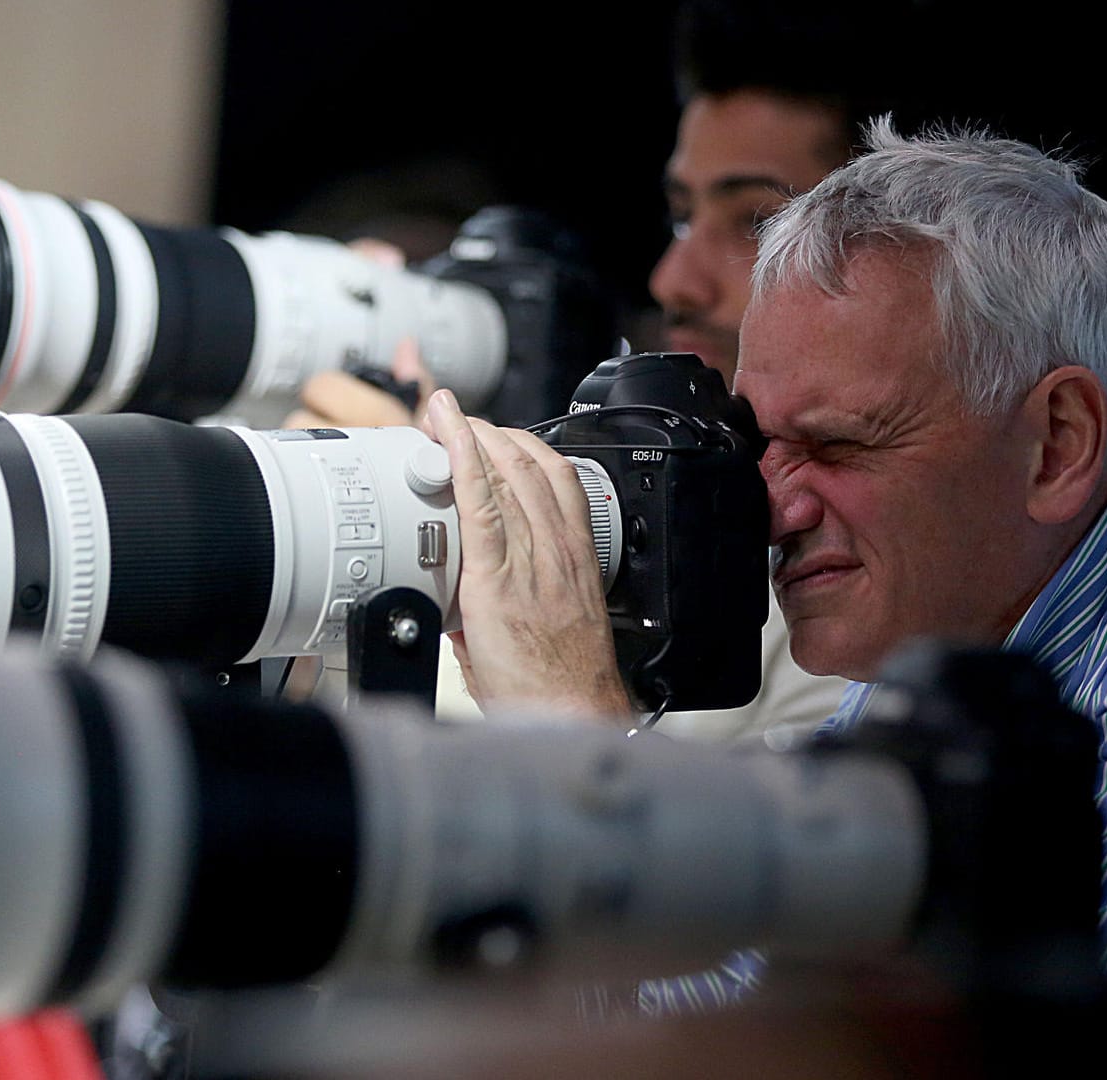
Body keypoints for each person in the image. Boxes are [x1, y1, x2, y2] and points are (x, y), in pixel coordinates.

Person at [432, 118, 1107, 976]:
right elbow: (744, 993)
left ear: (1056, 441)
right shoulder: (961, 618)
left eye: (838, 448)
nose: (773, 509)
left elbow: (936, 1052)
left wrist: (580, 741)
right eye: (758, 446)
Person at [286, 0, 914, 742]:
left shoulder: (871, 566)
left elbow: (754, 854)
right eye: (682, 217)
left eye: (756, 223)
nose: (673, 279)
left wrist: (455, 548)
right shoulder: (624, 452)